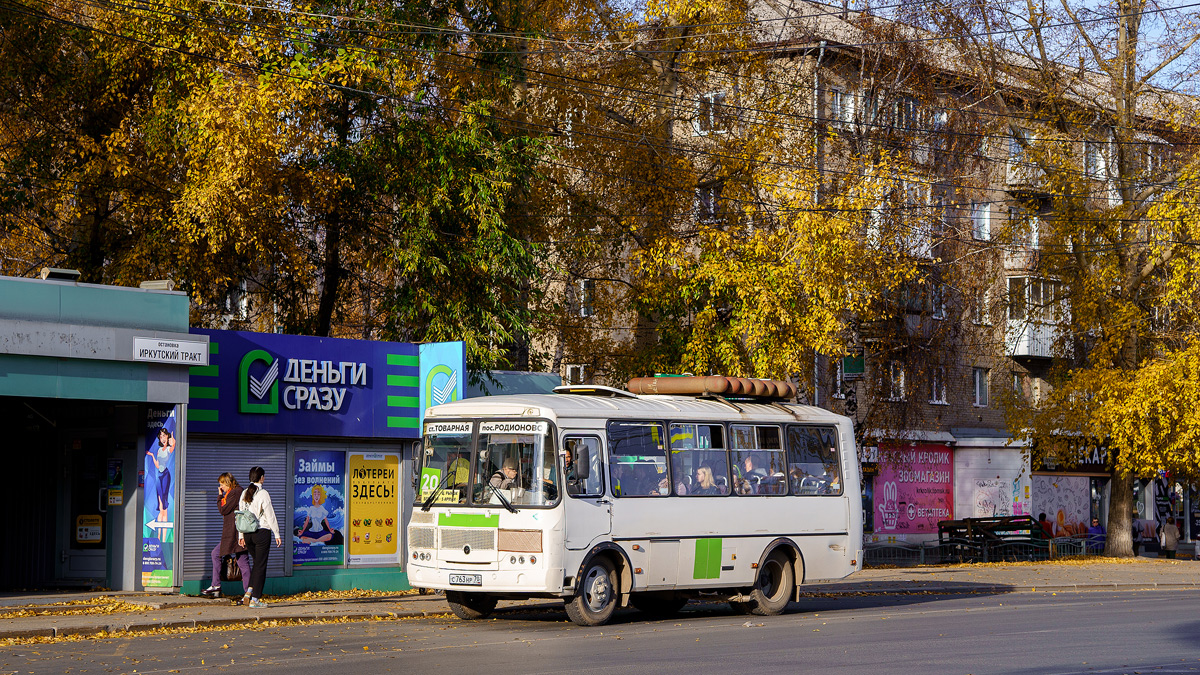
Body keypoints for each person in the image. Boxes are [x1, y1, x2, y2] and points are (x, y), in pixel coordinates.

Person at [238, 466, 281, 609]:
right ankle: (255, 599)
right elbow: (270, 515)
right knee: (261, 566)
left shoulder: (244, 492)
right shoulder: (263, 493)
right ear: (261, 477)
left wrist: (241, 535)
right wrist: (277, 533)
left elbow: (240, 515)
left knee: (257, 564)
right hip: (261, 533)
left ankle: (249, 592)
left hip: (248, 534)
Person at [202, 473, 251, 599]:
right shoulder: (236, 492)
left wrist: (219, 497)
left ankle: (248, 592)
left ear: (228, 483)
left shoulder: (235, 492)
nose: (221, 487)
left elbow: (223, 510)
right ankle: (218, 585)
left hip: (235, 534)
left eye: (222, 484)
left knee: (242, 561)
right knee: (238, 560)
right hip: (233, 533)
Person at [146, 428, 175, 522]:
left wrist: (173, 442)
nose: (162, 438)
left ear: (167, 436)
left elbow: (172, 447)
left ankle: (164, 517)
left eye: (164, 435)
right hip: (159, 475)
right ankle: (159, 533)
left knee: (164, 496)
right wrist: (152, 455)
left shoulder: (168, 449)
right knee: (159, 496)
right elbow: (158, 465)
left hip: (166, 474)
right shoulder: (159, 450)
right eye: (161, 436)